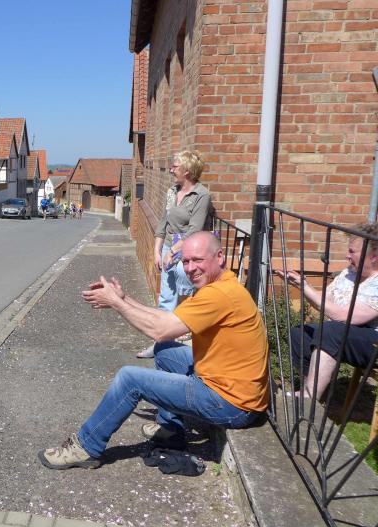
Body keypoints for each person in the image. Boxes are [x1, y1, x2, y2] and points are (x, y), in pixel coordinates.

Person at [38, 232, 268, 469]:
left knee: (130, 379)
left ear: (219, 257)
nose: (190, 268)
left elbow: (161, 329)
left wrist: (116, 304)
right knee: (165, 350)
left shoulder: (219, 294)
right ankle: (171, 429)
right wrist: (124, 298)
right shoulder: (221, 285)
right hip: (229, 386)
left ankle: (86, 447)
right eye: (186, 261)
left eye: (197, 260)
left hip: (231, 404)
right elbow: (167, 320)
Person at [277, 222, 378, 400]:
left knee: (330, 331)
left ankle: (310, 397)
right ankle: (311, 386)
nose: (347, 256)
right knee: (299, 333)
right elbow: (324, 300)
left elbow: (346, 316)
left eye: (352, 251)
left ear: (374, 257)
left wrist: (306, 288)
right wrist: (302, 285)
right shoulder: (350, 273)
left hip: (373, 342)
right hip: (344, 334)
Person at [138, 150, 212, 358]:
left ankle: (183, 336)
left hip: (188, 252)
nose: (171, 170)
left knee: (184, 287)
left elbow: (194, 230)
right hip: (168, 249)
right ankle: (159, 344)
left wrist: (172, 252)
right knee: (165, 298)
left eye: (175, 166)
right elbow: (164, 222)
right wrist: (157, 250)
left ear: (187, 170)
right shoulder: (172, 191)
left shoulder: (201, 195)